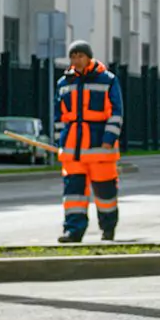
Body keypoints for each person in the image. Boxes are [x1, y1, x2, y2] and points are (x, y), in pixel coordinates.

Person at [54, 40, 124, 243]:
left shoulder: (108, 80)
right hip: (72, 151)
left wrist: (108, 140)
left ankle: (108, 229)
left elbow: (116, 113)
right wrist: (61, 141)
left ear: (89, 57)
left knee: (105, 195)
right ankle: (73, 231)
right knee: (73, 195)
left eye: (80, 56)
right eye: (73, 57)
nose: (76, 61)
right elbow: (59, 117)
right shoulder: (63, 83)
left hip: (100, 149)